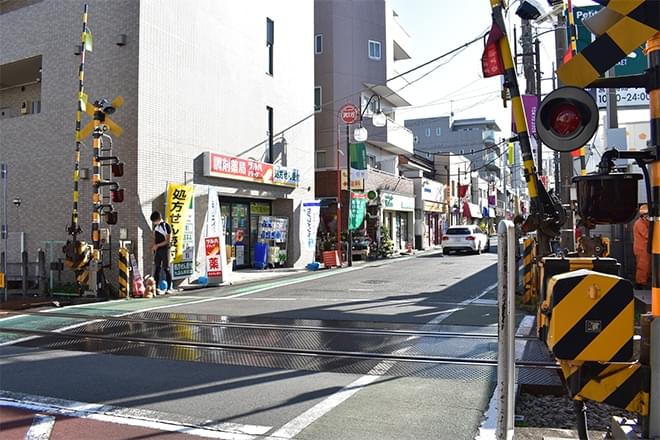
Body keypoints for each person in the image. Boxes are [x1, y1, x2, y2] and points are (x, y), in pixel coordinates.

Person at [150, 211, 174, 294]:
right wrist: (153, 246)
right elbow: (154, 238)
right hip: (158, 250)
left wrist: (157, 245)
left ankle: (169, 288)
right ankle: (155, 287)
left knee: (166, 268)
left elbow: (168, 241)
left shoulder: (166, 226)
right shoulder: (155, 227)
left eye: (154, 221)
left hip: (165, 249)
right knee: (157, 267)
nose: (154, 223)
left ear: (158, 219)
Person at [633, 204, 651, 289]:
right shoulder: (640, 223)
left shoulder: (644, 222)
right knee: (643, 266)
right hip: (641, 248)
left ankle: (643, 281)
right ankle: (640, 283)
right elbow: (647, 235)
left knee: (646, 266)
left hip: (644, 248)